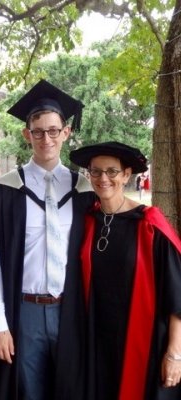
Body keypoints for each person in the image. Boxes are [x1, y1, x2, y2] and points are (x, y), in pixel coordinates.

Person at [0, 80, 95, 400]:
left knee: (70, 389)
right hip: (25, 312)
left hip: (71, 310)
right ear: (26, 134)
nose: (46, 138)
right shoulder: (4, 191)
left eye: (53, 130)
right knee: (28, 393)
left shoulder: (84, 191)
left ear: (65, 133)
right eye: (38, 131)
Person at [69, 141, 181, 399]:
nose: (102, 178)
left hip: (145, 343)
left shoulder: (149, 224)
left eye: (112, 171)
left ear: (126, 175)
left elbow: (177, 294)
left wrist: (175, 354)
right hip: (97, 342)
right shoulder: (88, 221)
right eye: (95, 171)